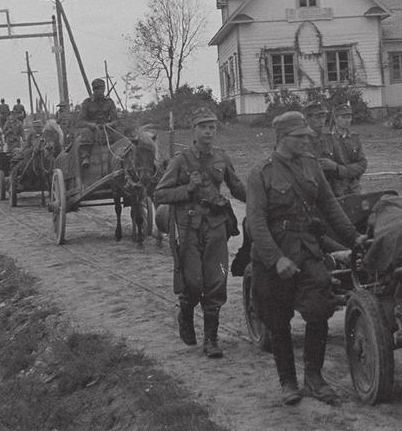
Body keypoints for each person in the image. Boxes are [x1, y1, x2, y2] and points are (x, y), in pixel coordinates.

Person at [245, 111, 365, 405]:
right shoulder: (261, 172)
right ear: (283, 138)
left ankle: (314, 378)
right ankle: (288, 382)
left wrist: (354, 240)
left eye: (308, 136)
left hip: (308, 250)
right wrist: (276, 259)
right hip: (275, 254)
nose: (308, 141)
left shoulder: (312, 166)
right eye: (301, 137)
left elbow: (330, 206)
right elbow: (256, 223)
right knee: (278, 320)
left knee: (320, 309)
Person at [155, 107, 246, 358]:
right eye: (203, 127)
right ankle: (186, 311)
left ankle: (211, 340)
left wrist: (261, 202)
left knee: (217, 281)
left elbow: (237, 188)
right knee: (193, 283)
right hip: (188, 228)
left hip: (216, 226)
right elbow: (160, 194)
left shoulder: (221, 158)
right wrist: (187, 188)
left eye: (212, 127)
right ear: (194, 130)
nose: (208, 131)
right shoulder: (180, 161)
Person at [317, 103, 367, 197]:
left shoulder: (355, 138)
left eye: (349, 117)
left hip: (353, 187)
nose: (346, 120)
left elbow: (362, 165)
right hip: (332, 189)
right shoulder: (325, 139)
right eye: (343, 117)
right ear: (335, 119)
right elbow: (322, 166)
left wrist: (338, 168)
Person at [76, 79, 118, 167]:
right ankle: (86, 156)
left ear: (104, 89)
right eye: (96, 89)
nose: (99, 91)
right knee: (86, 132)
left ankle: (118, 159)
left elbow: (116, 120)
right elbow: (80, 121)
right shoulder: (87, 103)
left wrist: (109, 124)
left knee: (119, 135)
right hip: (91, 129)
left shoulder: (110, 102)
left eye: (101, 89)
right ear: (93, 90)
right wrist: (91, 125)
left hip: (106, 128)